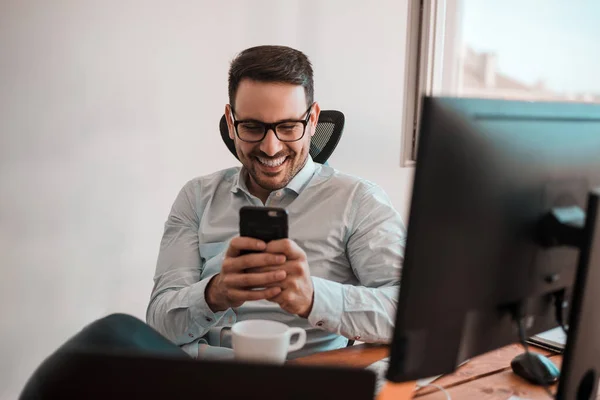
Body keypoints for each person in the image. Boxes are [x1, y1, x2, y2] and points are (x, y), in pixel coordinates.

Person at [146, 45, 406, 359]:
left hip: (304, 382)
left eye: (288, 127)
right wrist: (214, 293)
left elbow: (409, 313)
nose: (271, 148)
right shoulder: (197, 196)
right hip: (206, 378)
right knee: (108, 336)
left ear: (313, 120)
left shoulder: (358, 200)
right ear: (231, 122)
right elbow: (159, 324)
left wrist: (313, 298)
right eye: (253, 127)